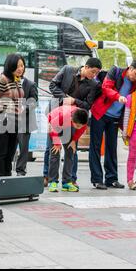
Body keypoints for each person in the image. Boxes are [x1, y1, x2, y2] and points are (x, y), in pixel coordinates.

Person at [89, 59, 136, 190]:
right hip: (100, 113)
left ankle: (111, 179)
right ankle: (97, 179)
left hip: (115, 118)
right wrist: (118, 97)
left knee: (112, 147)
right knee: (96, 146)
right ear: (130, 68)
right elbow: (106, 87)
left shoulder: (135, 84)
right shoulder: (115, 71)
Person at [43, 58, 102, 186]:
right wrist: (64, 98)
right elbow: (52, 85)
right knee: (52, 147)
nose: (94, 75)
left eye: (96, 73)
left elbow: (88, 104)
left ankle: (71, 179)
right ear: (86, 67)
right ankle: (47, 176)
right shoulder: (67, 70)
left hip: (76, 118)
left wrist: (73, 101)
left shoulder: (93, 85)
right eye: (92, 71)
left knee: (71, 149)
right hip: (57, 114)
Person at [0, 54, 25, 177]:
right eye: (17, 65)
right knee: (1, 153)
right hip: (2, 120)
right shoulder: (2, 80)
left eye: (22, 65)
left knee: (10, 153)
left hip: (15, 121)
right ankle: (0, 180)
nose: (21, 68)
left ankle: (7, 179)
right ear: (10, 66)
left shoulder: (18, 80)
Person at [47, 106, 89, 193]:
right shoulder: (65, 116)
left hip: (68, 126)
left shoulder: (82, 122)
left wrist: (74, 140)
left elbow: (80, 130)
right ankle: (53, 182)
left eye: (81, 126)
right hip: (54, 125)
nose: (79, 127)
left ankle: (67, 182)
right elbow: (52, 127)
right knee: (55, 152)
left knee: (70, 152)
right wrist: (57, 143)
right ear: (72, 119)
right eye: (77, 125)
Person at [16, 73, 38, 177]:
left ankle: (20, 171)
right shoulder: (7, 82)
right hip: (9, 120)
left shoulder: (30, 84)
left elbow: (34, 102)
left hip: (25, 121)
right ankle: (5, 170)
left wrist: (25, 108)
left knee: (23, 148)